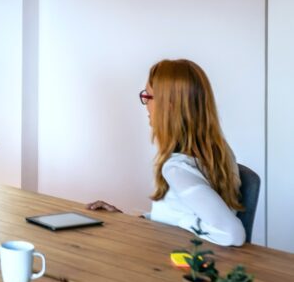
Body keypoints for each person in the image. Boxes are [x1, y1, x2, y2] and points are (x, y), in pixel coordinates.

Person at [87, 59, 245, 246]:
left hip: (183, 265)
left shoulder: (178, 169)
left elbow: (232, 233)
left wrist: (179, 222)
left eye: (148, 97)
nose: (145, 104)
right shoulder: (221, 151)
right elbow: (184, 210)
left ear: (168, 106)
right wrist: (129, 220)